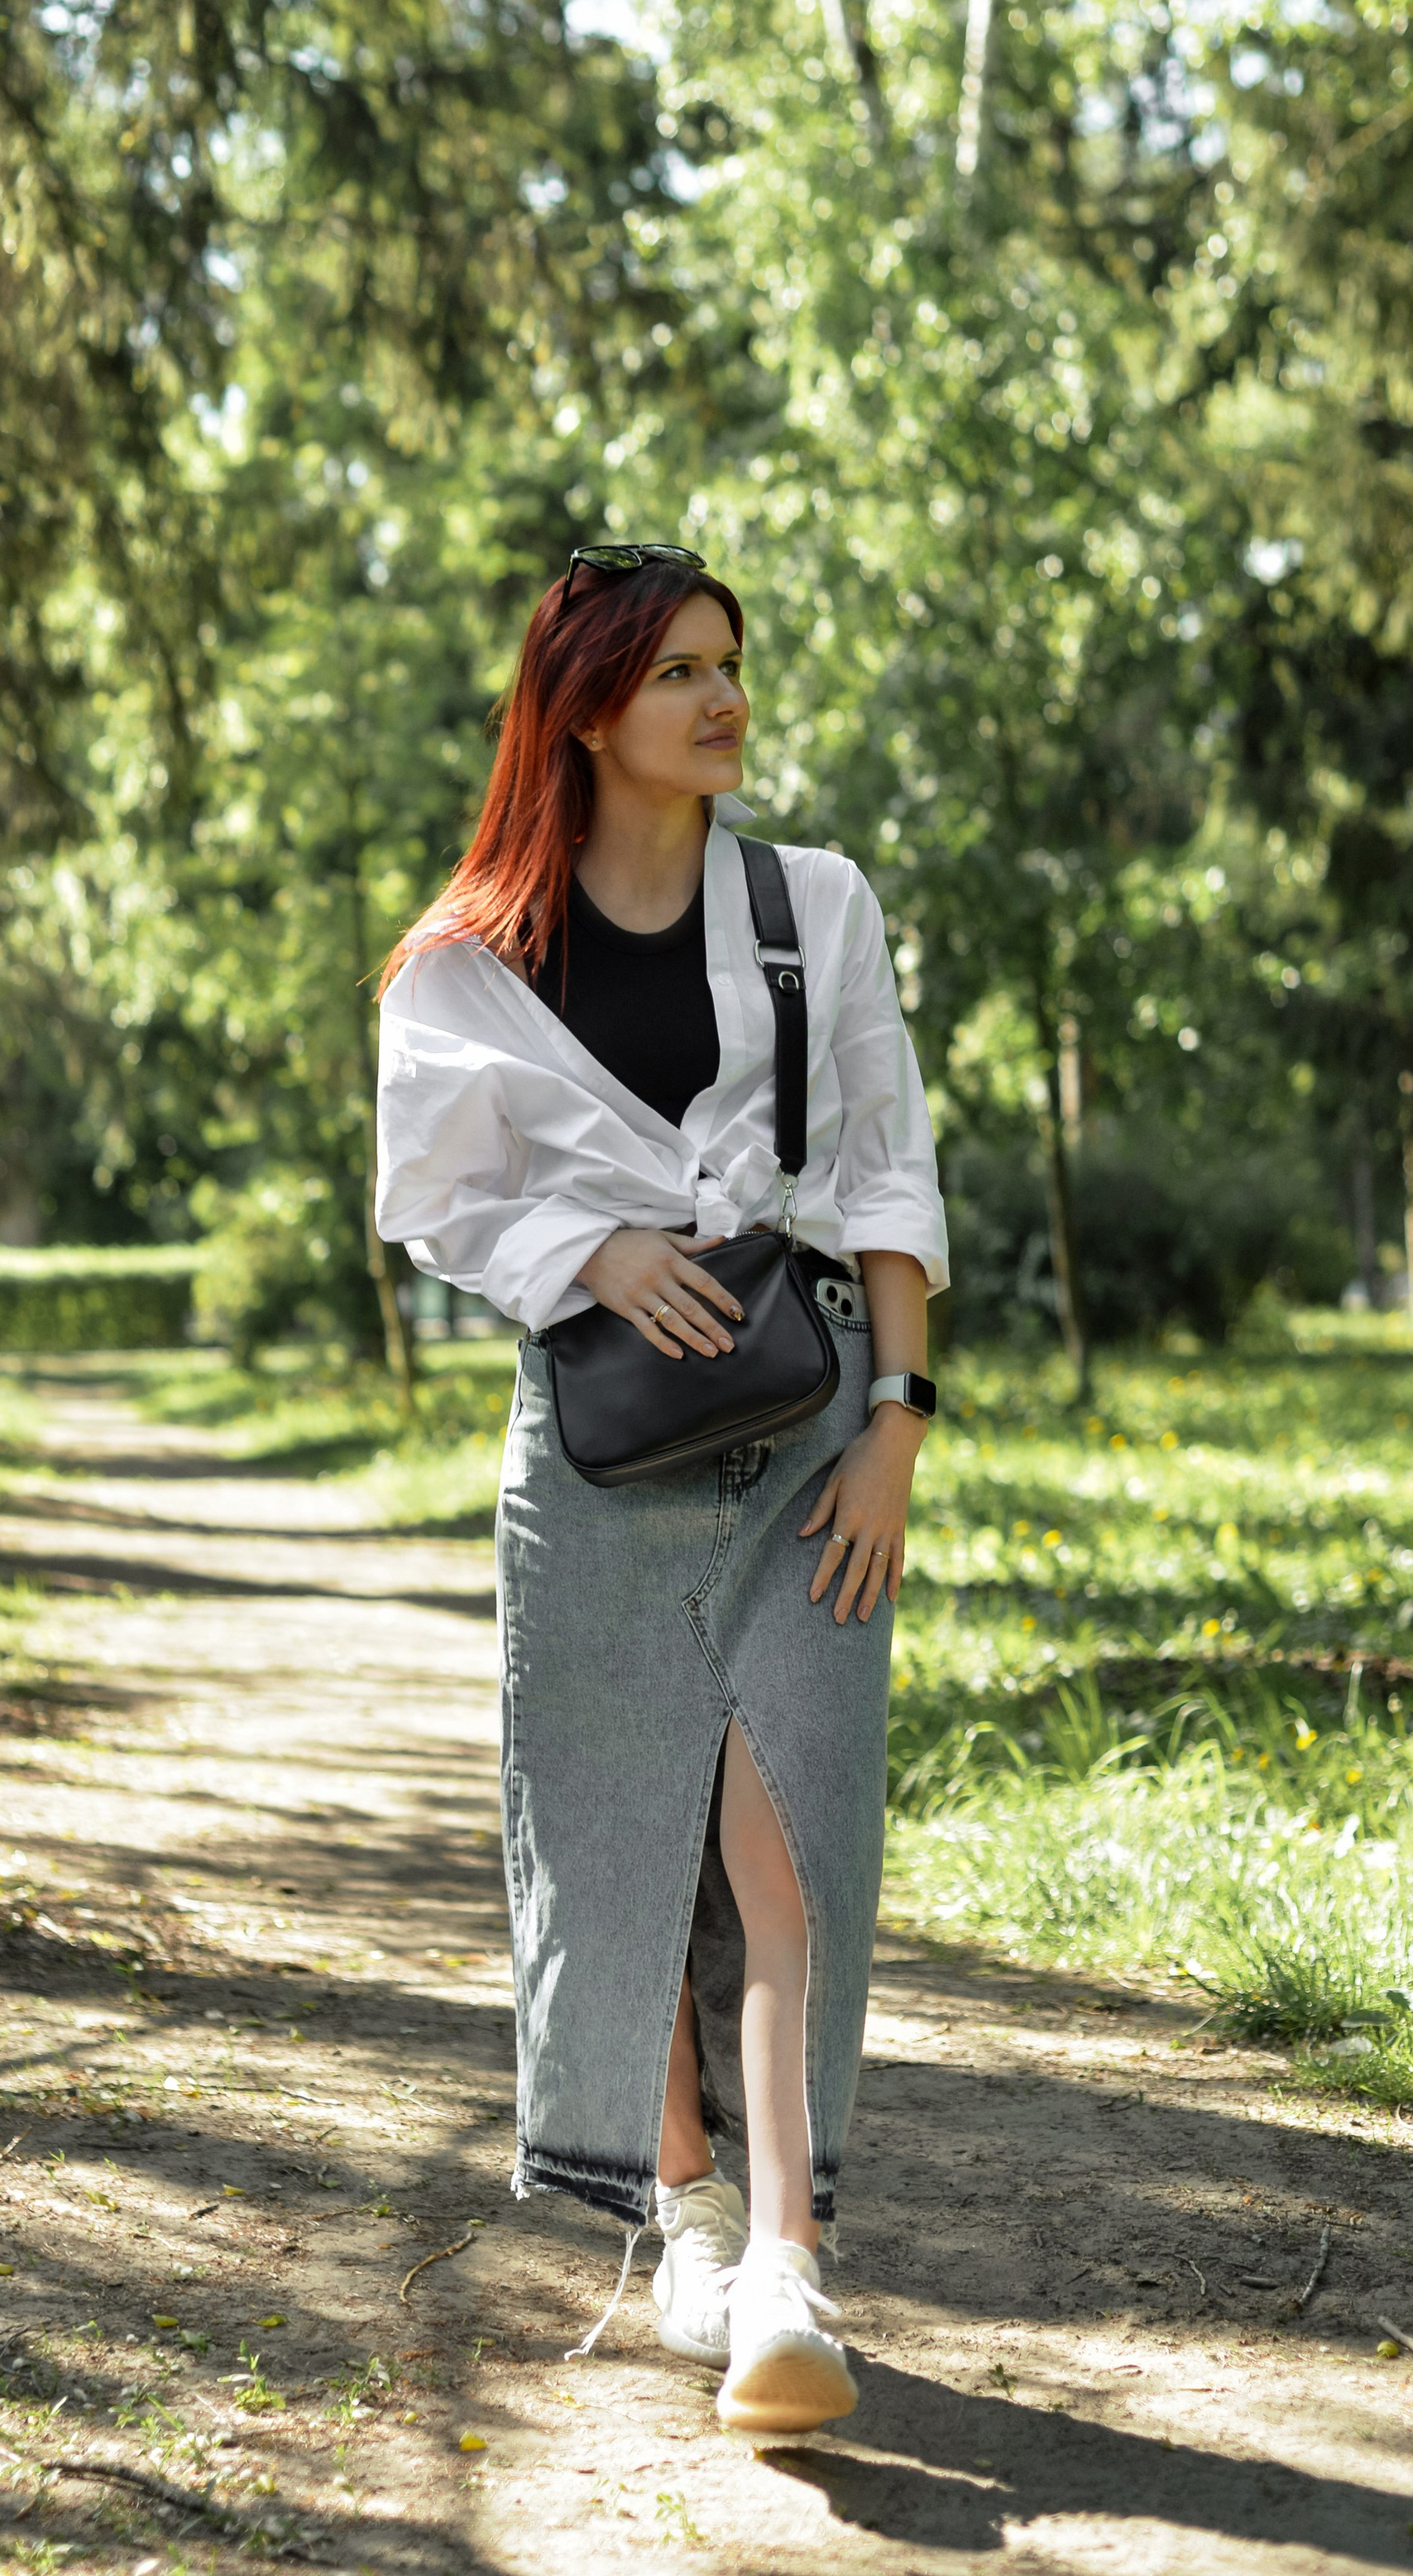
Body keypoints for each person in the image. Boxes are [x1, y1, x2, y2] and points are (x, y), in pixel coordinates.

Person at [374, 545, 946, 2439]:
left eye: (731, 662)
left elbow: (878, 1168)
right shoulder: (472, 956)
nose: (723, 699)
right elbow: (432, 1195)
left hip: (804, 1440)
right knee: (629, 1835)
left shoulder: (814, 906)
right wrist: (590, 1252)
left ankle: (788, 2256)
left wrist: (898, 1421)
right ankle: (688, 2214)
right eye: (680, 670)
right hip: (597, 1458)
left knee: (786, 1835)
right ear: (586, 705)